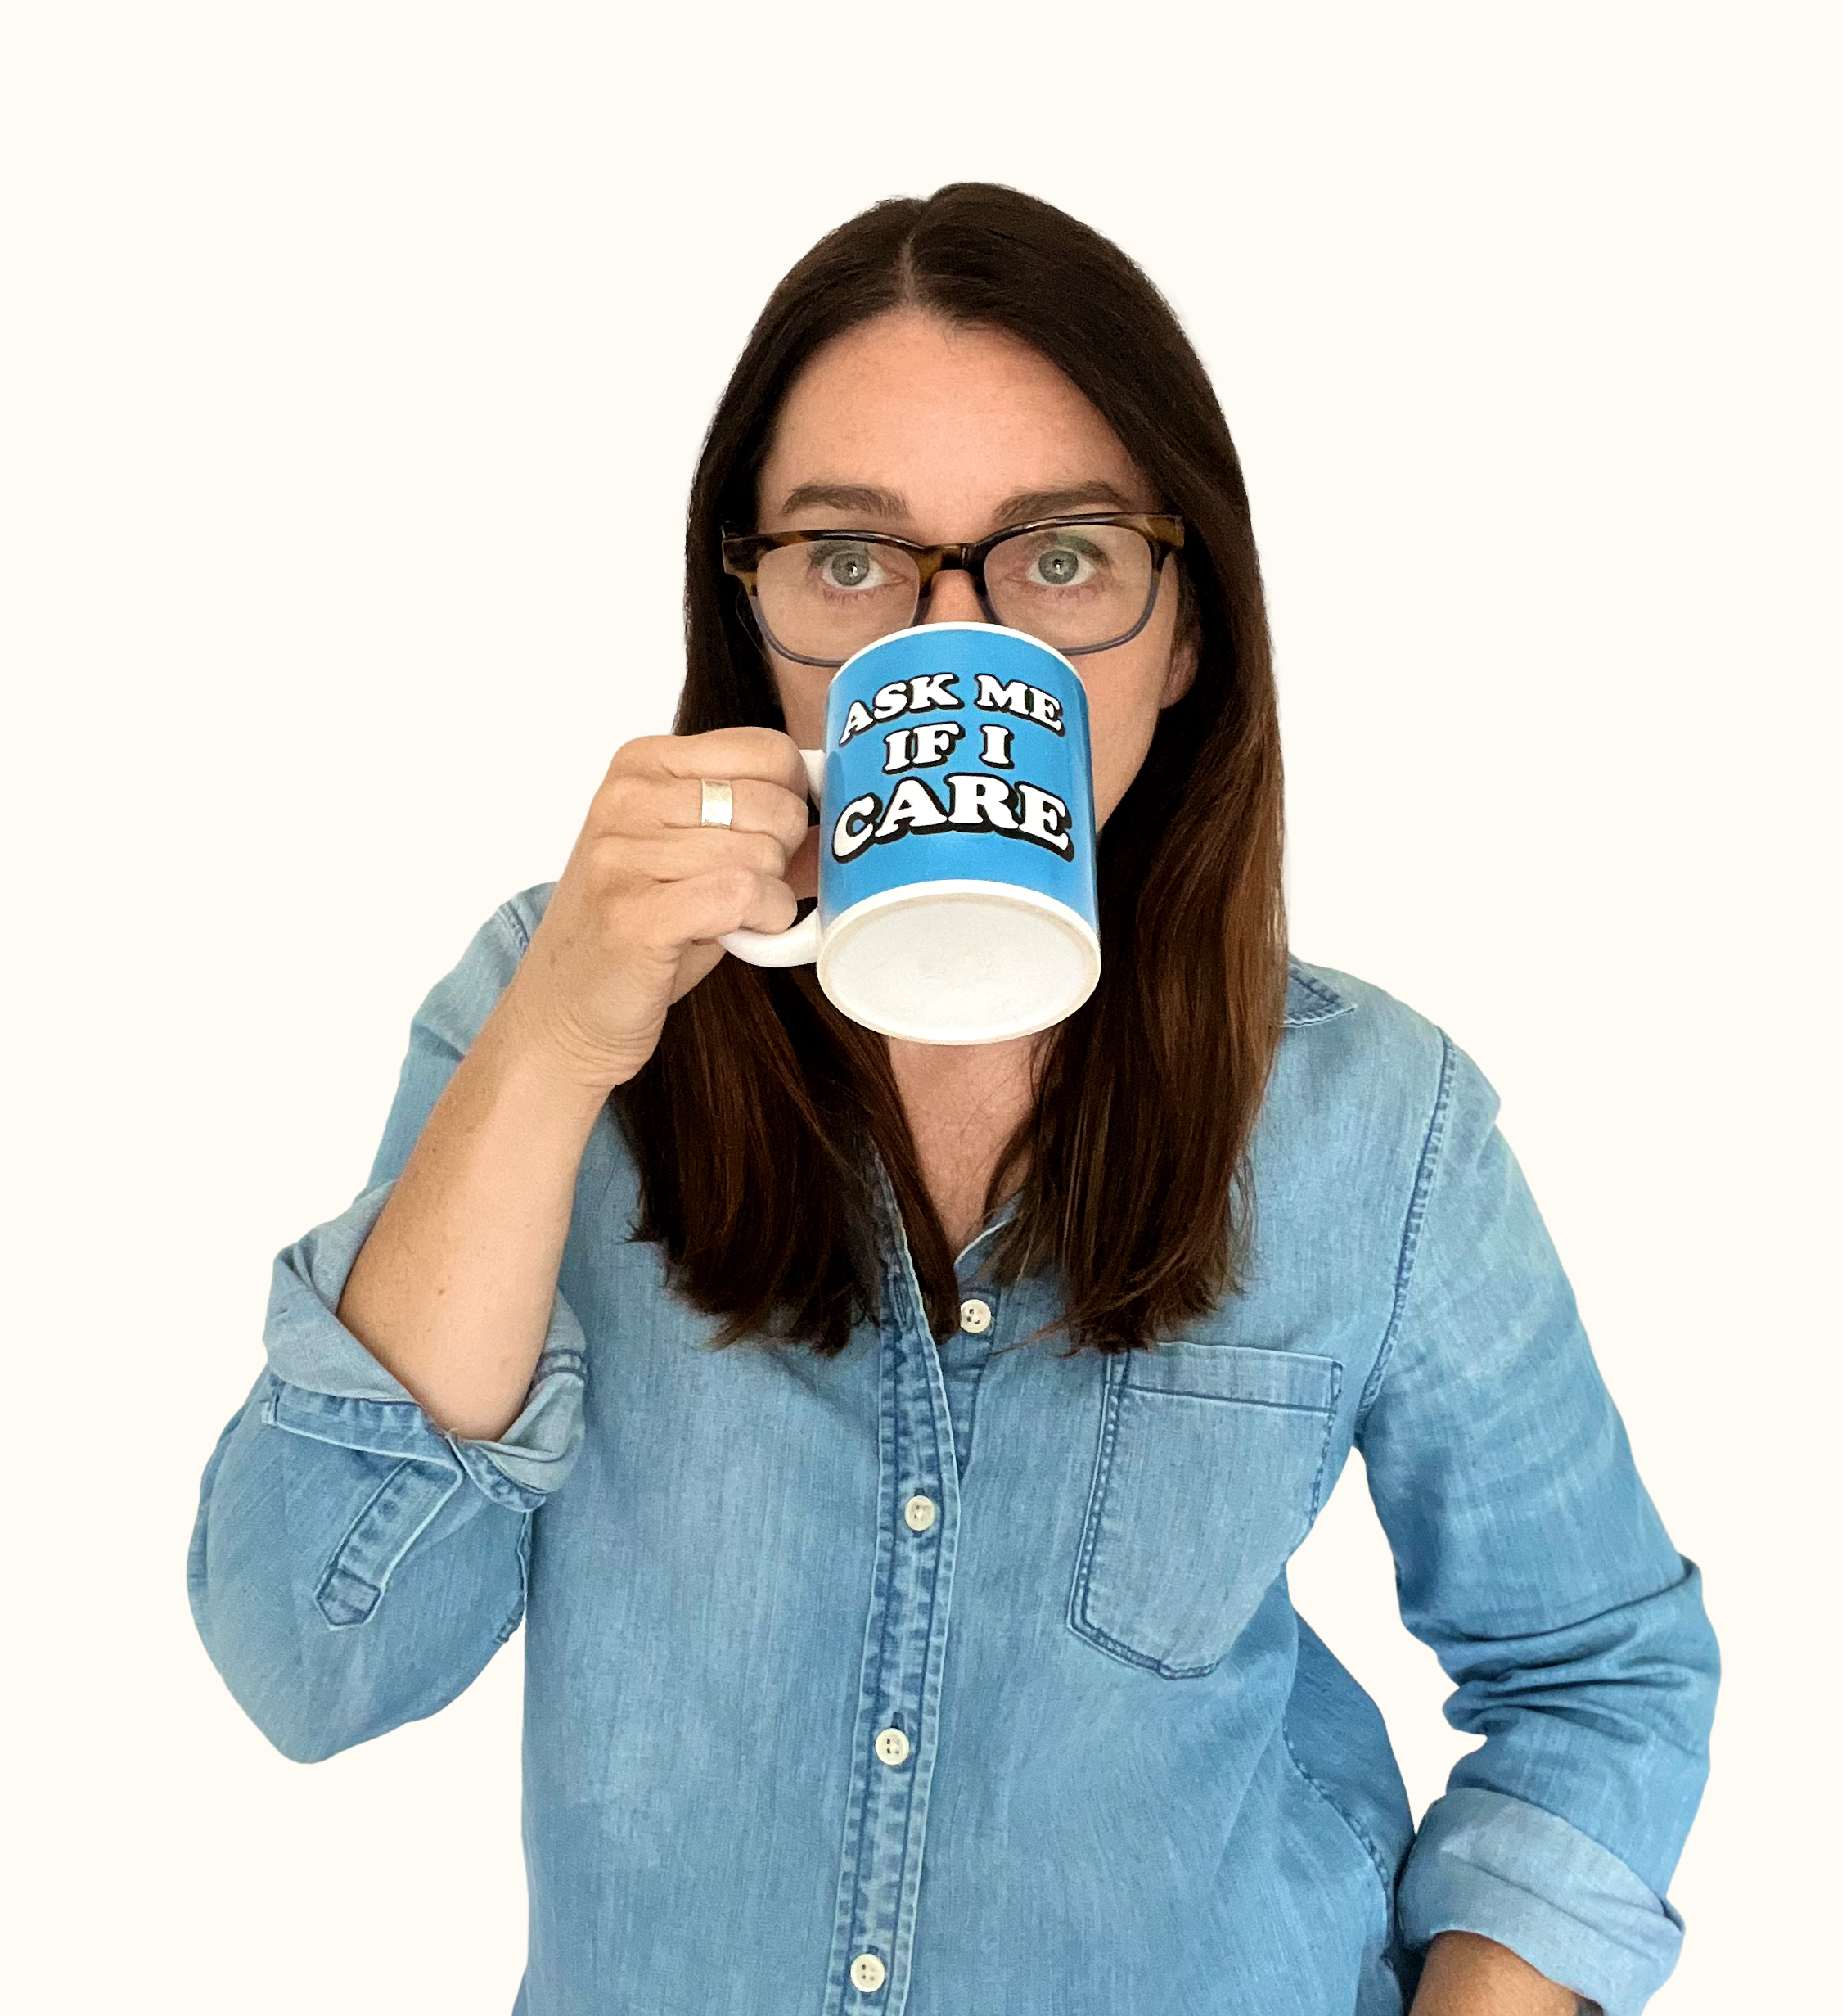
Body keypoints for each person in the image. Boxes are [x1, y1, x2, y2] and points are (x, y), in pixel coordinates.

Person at [186, 184, 1717, 2016]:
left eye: (1060, 557)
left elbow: (1599, 1670)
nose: (958, 635)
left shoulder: (1376, 1119)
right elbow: (311, 1658)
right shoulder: (555, 1012)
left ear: (1184, 631)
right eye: (853, 559)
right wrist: (552, 1048)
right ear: (747, 609)